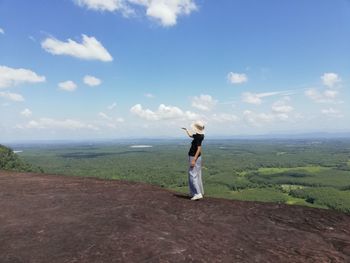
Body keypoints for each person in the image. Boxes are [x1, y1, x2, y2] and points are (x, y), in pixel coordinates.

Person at [182, 121, 205, 200]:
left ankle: (198, 193)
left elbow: (199, 148)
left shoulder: (198, 137)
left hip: (194, 157)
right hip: (197, 157)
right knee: (195, 174)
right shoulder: (200, 135)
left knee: (192, 175)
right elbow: (190, 136)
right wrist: (186, 130)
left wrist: (194, 160)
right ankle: (193, 192)